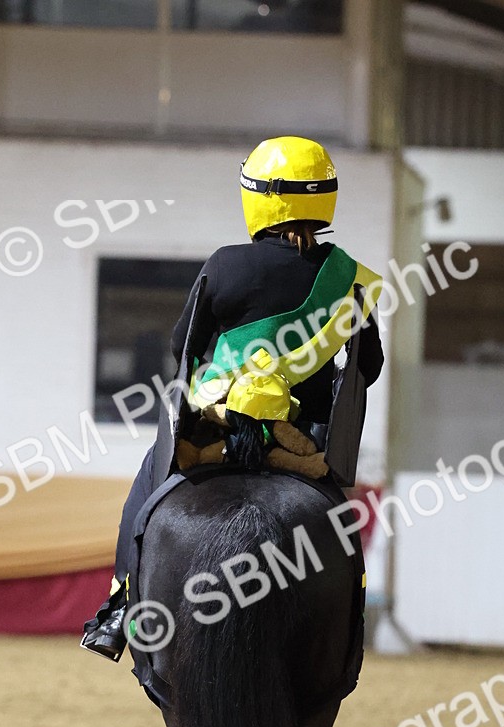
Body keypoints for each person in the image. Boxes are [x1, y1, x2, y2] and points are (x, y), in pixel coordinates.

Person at [81, 135, 385, 661]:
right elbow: (369, 368)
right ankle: (351, 629)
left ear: (259, 197)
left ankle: (119, 610)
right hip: (305, 446)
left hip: (219, 433)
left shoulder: (225, 265)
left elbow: (183, 348)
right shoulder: (350, 281)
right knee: (339, 529)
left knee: (145, 493)